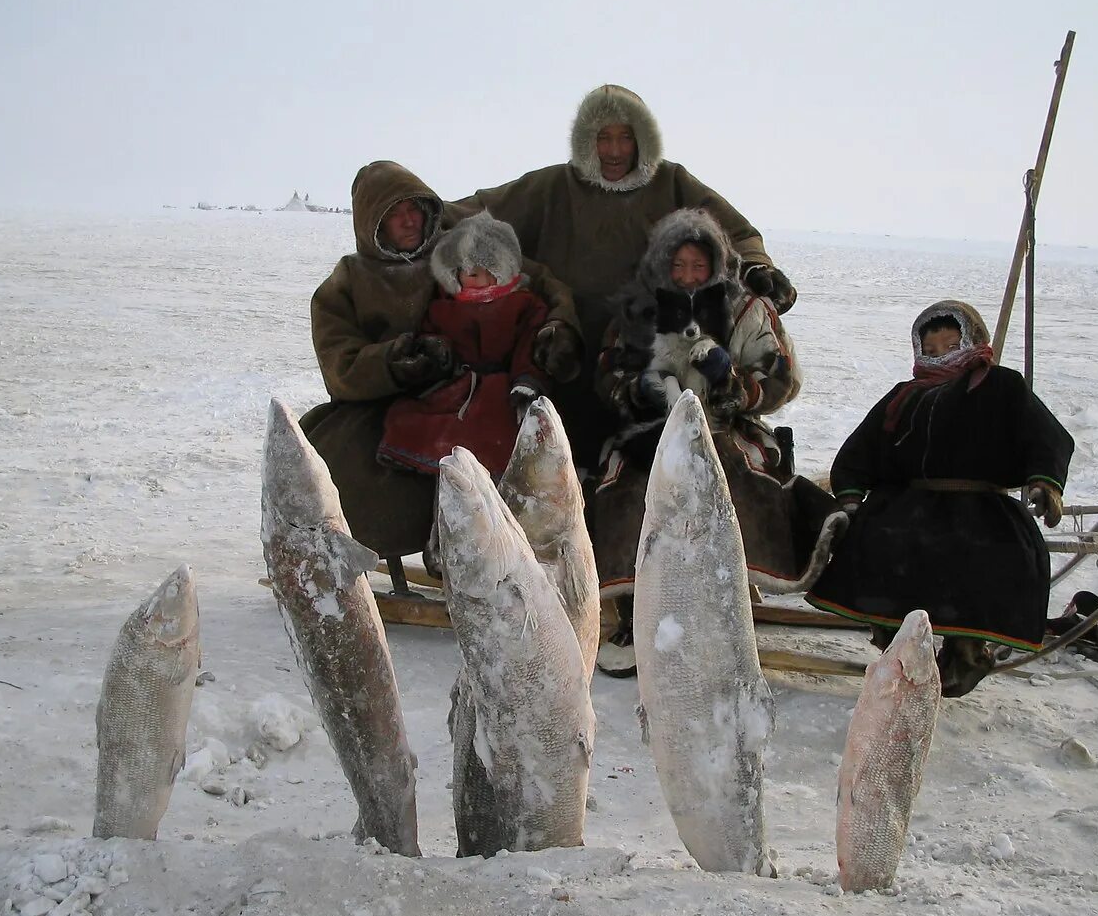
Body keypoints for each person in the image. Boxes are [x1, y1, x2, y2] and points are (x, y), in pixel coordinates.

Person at [449, 84, 797, 472]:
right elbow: (473, 213)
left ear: (643, 140)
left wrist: (756, 266)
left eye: (626, 138)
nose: (614, 151)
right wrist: (416, 214)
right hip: (569, 355)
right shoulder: (550, 187)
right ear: (586, 141)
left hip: (648, 343)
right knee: (569, 464)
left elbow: (737, 234)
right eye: (603, 138)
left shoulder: (672, 182)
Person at [591, 208, 840, 677]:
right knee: (625, 488)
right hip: (651, 430)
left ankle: (723, 608)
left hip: (727, 428)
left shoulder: (747, 309)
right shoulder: (636, 309)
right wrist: (633, 389)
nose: (687, 276)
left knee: (734, 484)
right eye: (678, 266)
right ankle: (632, 612)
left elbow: (782, 378)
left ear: (716, 264)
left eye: (698, 267)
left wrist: (732, 381)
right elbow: (608, 369)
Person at [299, 161, 578, 559]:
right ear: (371, 224)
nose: (408, 221)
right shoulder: (345, 283)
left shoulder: (463, 250)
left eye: (413, 208)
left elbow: (540, 284)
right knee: (335, 469)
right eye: (393, 214)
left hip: (485, 387)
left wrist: (558, 329)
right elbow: (340, 365)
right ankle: (362, 550)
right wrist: (395, 362)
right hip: (387, 401)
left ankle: (503, 550)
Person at [805, 300, 1076, 697]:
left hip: (980, 508)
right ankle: (897, 648)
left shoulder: (1002, 386)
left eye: (950, 346)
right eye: (929, 350)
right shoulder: (905, 395)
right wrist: (850, 497)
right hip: (905, 504)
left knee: (981, 560)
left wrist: (1045, 482)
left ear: (973, 341)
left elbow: (1045, 436)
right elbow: (861, 450)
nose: (939, 356)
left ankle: (965, 655)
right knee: (878, 546)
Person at [376, 211, 553, 479]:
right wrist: (432, 356)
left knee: (493, 431)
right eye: (472, 274)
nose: (481, 282)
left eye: (490, 273)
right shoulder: (443, 307)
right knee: (414, 418)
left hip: (499, 388)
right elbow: (431, 335)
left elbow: (529, 343)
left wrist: (526, 380)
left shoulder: (523, 304)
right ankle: (417, 457)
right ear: (455, 274)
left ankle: (489, 474)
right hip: (455, 383)